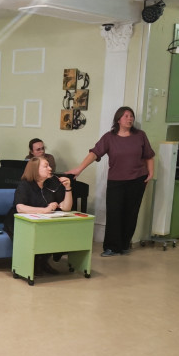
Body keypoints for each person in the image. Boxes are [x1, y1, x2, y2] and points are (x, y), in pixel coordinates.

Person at [67, 106, 155, 256]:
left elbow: (148, 156)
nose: (130, 119)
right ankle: (112, 247)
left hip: (137, 179)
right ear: (118, 119)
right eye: (126, 116)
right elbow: (94, 153)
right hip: (116, 181)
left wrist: (150, 173)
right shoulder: (109, 137)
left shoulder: (140, 135)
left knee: (131, 213)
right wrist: (79, 169)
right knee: (114, 213)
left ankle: (124, 245)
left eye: (131, 116)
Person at [13, 157, 74, 275]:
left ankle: (43, 262)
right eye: (46, 166)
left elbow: (66, 208)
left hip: (44, 221)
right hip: (22, 222)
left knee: (58, 230)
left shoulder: (52, 183)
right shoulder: (25, 185)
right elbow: (20, 208)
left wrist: (68, 188)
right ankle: (36, 264)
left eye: (49, 165)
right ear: (35, 169)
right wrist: (45, 210)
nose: (50, 168)